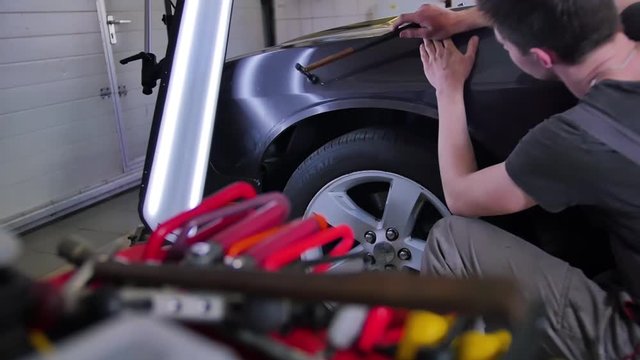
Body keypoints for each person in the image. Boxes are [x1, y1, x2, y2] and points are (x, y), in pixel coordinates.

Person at [393, 0, 640, 359]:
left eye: (505, 44)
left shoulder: (575, 139)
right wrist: (461, 19)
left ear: (542, 58)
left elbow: (461, 195)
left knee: (451, 241)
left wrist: (447, 90)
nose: (503, 46)